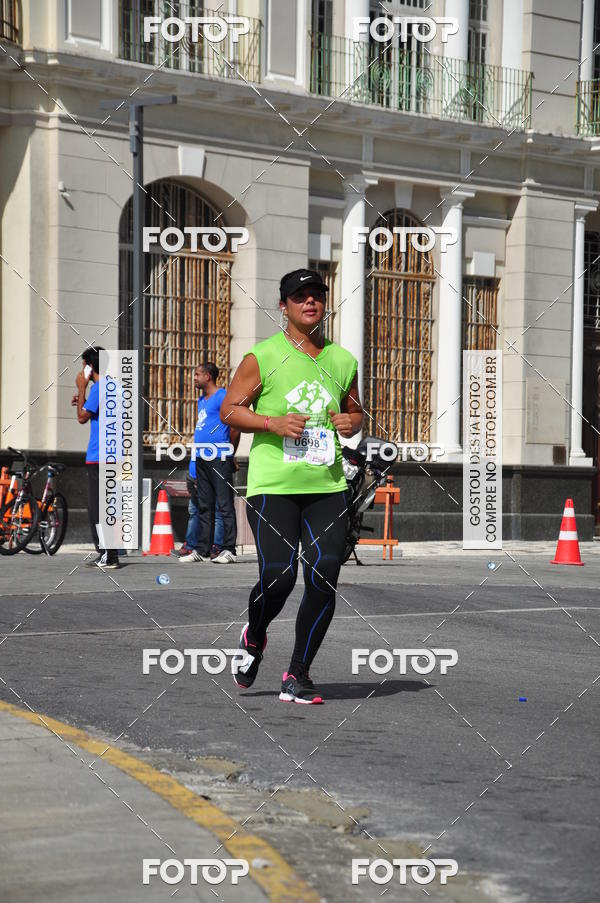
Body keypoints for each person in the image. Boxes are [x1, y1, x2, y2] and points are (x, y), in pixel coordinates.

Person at [220, 268, 364, 704]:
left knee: (324, 574)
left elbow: (356, 412)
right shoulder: (262, 357)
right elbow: (229, 410)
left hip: (327, 486)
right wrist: (272, 423)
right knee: (279, 576)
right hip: (274, 486)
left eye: (317, 294)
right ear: (283, 306)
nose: (310, 301)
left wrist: (351, 421)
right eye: (300, 296)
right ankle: (255, 634)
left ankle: (298, 673)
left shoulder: (342, 361)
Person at [179, 363, 240, 564]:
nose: (194, 378)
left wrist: (229, 453)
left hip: (219, 457)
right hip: (201, 458)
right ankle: (202, 550)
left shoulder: (223, 396)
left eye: (197, 374)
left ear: (208, 376)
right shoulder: (201, 400)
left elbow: (235, 427)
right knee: (204, 505)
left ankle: (229, 549)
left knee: (224, 505)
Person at [72, 346, 120, 570]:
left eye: (84, 365)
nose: (82, 370)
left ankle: (108, 555)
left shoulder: (99, 388)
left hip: (99, 456)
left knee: (98, 508)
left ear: (90, 367)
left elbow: (82, 417)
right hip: (113, 455)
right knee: (106, 506)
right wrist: (83, 396)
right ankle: (108, 553)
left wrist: (81, 388)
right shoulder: (114, 387)